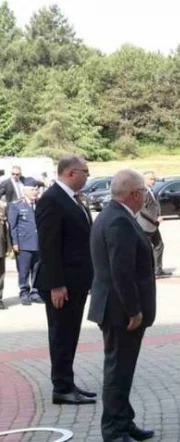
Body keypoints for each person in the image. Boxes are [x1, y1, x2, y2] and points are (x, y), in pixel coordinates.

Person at [87, 170, 157, 442]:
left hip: (116, 308)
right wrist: (134, 310)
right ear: (135, 193)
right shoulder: (118, 221)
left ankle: (124, 420)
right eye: (142, 192)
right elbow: (121, 272)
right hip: (120, 311)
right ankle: (113, 432)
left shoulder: (112, 214)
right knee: (118, 370)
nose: (144, 196)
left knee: (123, 369)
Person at [35, 154, 96, 405]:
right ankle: (61, 387)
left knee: (69, 334)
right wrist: (56, 284)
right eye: (85, 172)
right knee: (61, 335)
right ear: (71, 172)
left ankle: (68, 383)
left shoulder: (72, 199)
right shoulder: (52, 200)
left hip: (76, 281)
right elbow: (49, 246)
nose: (87, 176)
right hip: (62, 285)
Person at [8, 182, 44, 305]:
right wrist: (14, 243)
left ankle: (35, 292)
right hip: (24, 244)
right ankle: (24, 292)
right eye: (33, 190)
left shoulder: (40, 204)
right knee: (24, 271)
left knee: (37, 269)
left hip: (38, 243)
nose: (35, 192)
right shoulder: (16, 205)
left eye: (36, 190)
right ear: (25, 191)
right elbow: (13, 227)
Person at [140, 171, 171, 278]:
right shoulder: (143, 191)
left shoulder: (150, 190)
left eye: (154, 179)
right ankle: (149, 271)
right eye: (152, 179)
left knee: (159, 245)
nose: (154, 181)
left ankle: (157, 269)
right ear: (145, 179)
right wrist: (155, 218)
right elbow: (142, 209)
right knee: (147, 249)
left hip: (153, 225)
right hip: (146, 226)